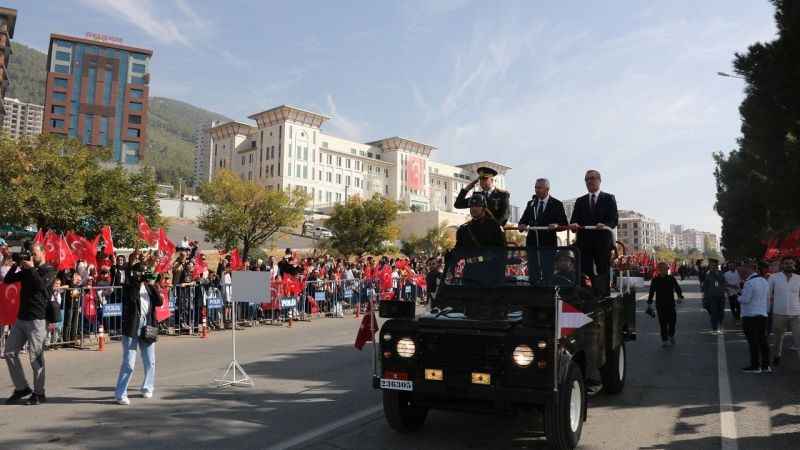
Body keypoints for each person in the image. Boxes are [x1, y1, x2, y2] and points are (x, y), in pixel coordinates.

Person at [3, 242, 56, 405]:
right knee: (9, 352)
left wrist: (32, 268)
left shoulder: (49, 270)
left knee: (35, 358)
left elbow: (41, 287)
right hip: (21, 318)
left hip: (37, 319)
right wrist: (16, 264)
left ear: (43, 253)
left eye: (34, 253)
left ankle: (39, 393)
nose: (31, 256)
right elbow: (8, 279)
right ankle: (21, 388)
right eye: (30, 253)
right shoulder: (26, 269)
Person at [115, 262, 163, 405]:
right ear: (135, 273)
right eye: (142, 272)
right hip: (132, 327)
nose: (145, 274)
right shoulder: (128, 286)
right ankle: (120, 394)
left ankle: (148, 387)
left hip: (148, 324)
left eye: (146, 271)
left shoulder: (149, 287)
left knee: (150, 360)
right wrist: (138, 282)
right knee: (129, 363)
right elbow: (132, 298)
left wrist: (152, 285)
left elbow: (159, 302)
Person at [568, 169, 619, 296]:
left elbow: (614, 220)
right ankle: (587, 296)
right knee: (585, 270)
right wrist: (573, 225)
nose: (589, 181)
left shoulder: (609, 198)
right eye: (587, 179)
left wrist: (605, 225)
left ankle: (604, 296)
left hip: (602, 242)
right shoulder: (580, 201)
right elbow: (574, 220)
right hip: (584, 243)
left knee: (603, 271)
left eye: (592, 178)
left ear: (599, 180)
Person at [518, 178, 568, 284]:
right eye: (536, 187)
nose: (536, 190)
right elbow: (523, 221)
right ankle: (534, 291)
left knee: (547, 272)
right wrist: (522, 225)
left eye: (539, 188)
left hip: (548, 245)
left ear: (547, 189)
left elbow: (564, 224)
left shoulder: (557, 204)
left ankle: (547, 291)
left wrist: (557, 225)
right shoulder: (531, 204)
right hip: (532, 244)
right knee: (533, 272)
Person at [738, 261, 771, 373]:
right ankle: (766, 365)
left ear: (749, 269)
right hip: (762, 314)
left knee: (753, 342)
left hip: (750, 316)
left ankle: (755, 366)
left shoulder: (750, 283)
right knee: (763, 341)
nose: (742, 270)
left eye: (744, 268)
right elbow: (767, 298)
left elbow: (745, 300)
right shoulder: (764, 281)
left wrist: (738, 296)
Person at [767, 257, 800, 367]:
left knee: (799, 339)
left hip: (796, 314)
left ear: (794, 265)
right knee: (778, 338)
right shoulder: (774, 277)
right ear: (782, 265)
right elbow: (768, 295)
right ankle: (777, 355)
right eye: (786, 263)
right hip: (779, 313)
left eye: (791, 263)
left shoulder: (798, 278)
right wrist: (767, 310)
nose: (789, 265)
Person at [647, 262, 685, 347]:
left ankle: (671, 335)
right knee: (662, 323)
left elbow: (677, 288)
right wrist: (649, 303)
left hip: (670, 304)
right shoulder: (655, 280)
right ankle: (664, 340)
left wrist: (679, 296)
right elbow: (651, 292)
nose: (663, 270)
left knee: (672, 322)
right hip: (660, 305)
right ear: (659, 270)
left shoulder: (671, 278)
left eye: (665, 269)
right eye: (661, 269)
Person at [701, 259, 727, 334]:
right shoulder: (707, 274)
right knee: (713, 312)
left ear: (717, 265)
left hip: (720, 295)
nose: (712, 266)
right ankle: (714, 327)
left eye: (714, 265)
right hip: (711, 296)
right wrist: (704, 296)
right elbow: (705, 286)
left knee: (721, 312)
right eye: (711, 265)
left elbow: (723, 282)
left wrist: (716, 274)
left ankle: (720, 324)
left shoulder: (721, 273)